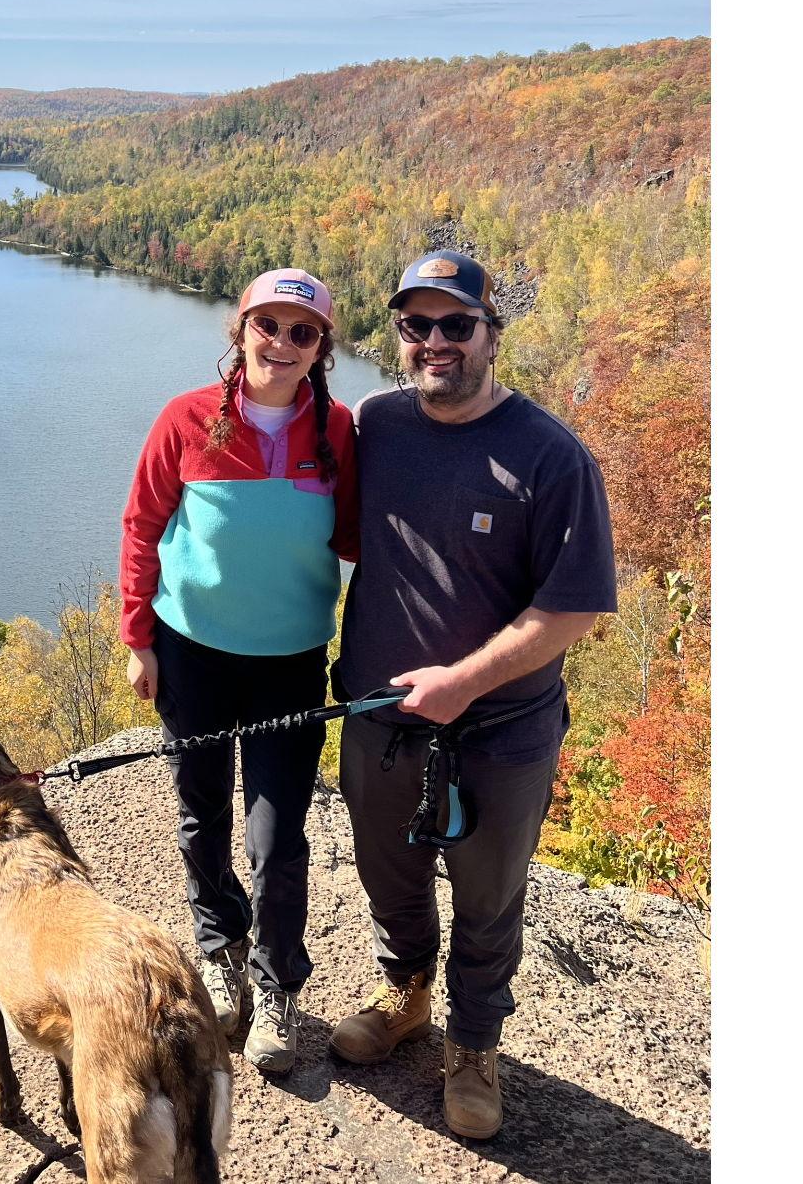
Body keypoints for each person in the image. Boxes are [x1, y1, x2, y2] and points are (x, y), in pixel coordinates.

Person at [327, 249, 616, 1140]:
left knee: (488, 900)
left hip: (501, 734)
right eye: (417, 325)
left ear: (492, 335)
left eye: (457, 324)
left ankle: (476, 1044)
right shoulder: (376, 425)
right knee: (390, 876)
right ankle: (407, 994)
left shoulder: (550, 456)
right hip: (379, 720)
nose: (435, 342)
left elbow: (573, 609)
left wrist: (465, 682)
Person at [120, 268, 358, 1076]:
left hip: (289, 664)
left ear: (322, 348)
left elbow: (365, 541)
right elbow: (143, 525)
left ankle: (278, 985)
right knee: (201, 816)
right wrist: (138, 636)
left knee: (277, 836)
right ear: (241, 327)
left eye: (303, 333)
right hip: (192, 653)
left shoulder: (340, 432)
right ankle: (220, 947)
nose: (282, 345)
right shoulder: (186, 419)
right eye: (269, 326)